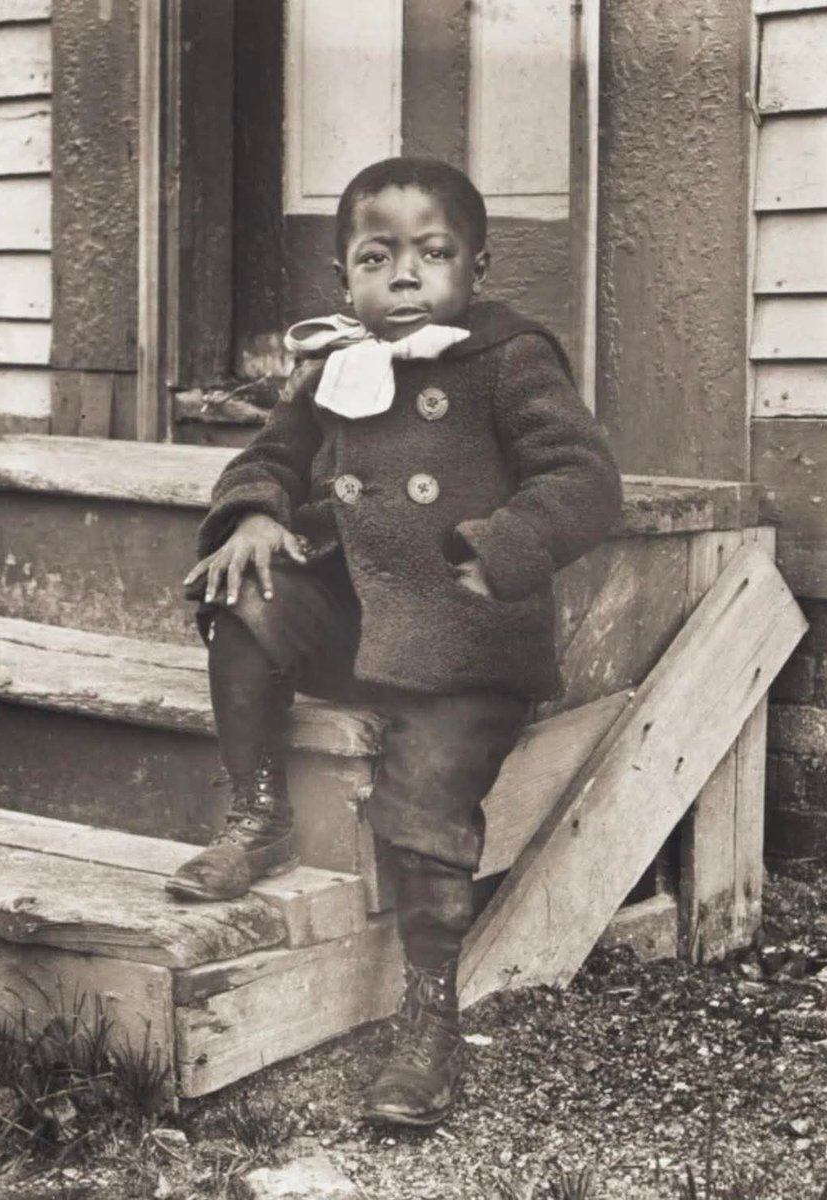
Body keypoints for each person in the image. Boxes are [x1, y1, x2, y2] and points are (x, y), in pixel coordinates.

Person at [166, 157, 623, 1127]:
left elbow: (583, 478)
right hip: (366, 615)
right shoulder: (340, 363)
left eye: (432, 254)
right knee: (243, 592)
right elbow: (271, 456)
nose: (405, 276)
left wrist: (505, 546)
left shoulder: (510, 357)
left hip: (468, 632)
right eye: (378, 258)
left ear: (478, 266)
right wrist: (253, 512)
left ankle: (428, 1017)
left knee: (423, 797)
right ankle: (257, 813)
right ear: (345, 280)